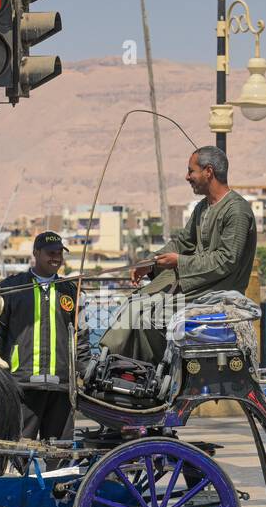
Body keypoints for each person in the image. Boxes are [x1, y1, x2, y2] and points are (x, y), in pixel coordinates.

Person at [99, 145, 256, 361]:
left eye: (191, 171)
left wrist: (179, 262)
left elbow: (226, 261)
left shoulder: (236, 210)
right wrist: (150, 263)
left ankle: (150, 371)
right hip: (197, 286)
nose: (187, 177)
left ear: (208, 171)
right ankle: (114, 363)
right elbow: (182, 243)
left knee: (149, 316)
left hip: (217, 292)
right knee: (136, 302)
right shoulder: (203, 207)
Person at [0, 231, 90, 444]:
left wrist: (84, 372)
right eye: (50, 253)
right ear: (35, 253)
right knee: (17, 448)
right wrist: (1, 374)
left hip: (62, 386)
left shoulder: (71, 291)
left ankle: (57, 479)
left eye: (59, 253)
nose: (56, 258)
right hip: (22, 383)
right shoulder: (11, 287)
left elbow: (82, 337)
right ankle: (16, 479)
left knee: (60, 450)